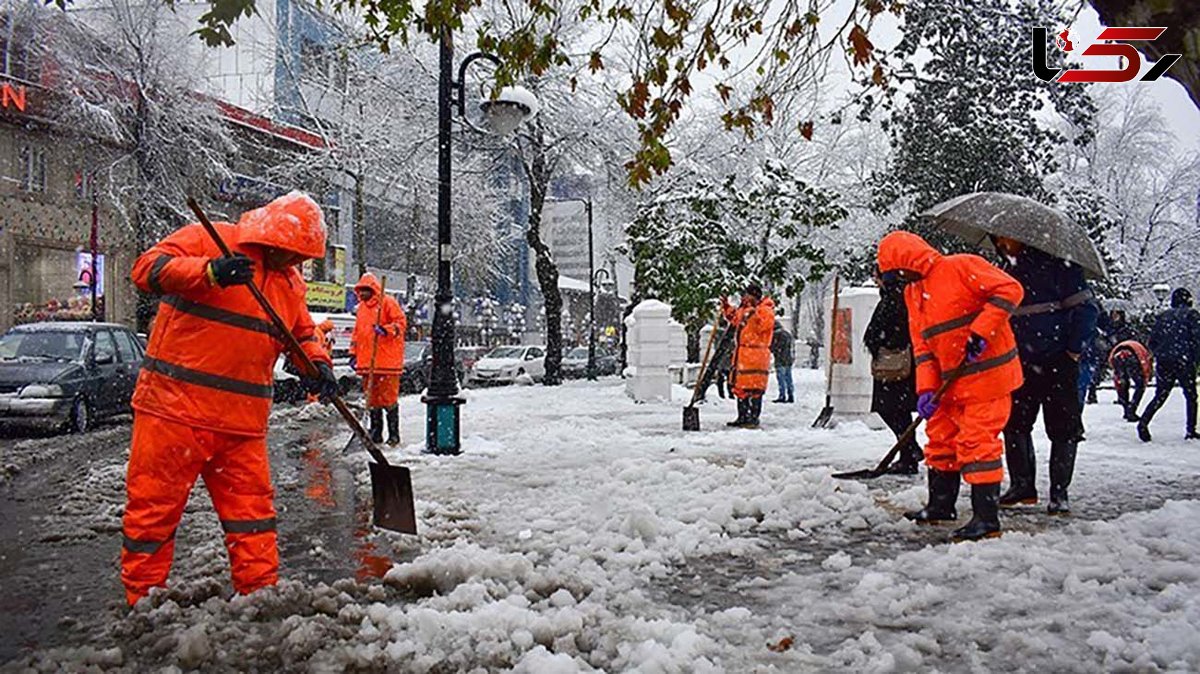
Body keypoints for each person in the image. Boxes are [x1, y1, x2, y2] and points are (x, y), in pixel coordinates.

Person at [121, 192, 336, 606]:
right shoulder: (211, 240)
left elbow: (302, 333)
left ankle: (259, 598)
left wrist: (318, 365)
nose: (293, 263)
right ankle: (143, 603)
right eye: (290, 253)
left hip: (242, 425)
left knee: (253, 520)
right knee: (153, 516)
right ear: (272, 236)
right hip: (173, 411)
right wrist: (209, 272)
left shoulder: (290, 285)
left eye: (300, 258)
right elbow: (146, 269)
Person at [877, 231, 1024, 541]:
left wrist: (982, 331)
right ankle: (941, 505)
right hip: (949, 382)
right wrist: (926, 390)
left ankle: (987, 519)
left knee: (977, 441)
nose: (901, 279)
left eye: (900, 272)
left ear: (909, 260)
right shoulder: (913, 293)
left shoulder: (961, 266)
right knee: (940, 440)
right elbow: (923, 347)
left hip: (988, 377)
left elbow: (1010, 290)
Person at [992, 237, 1098, 516]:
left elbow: (1086, 311)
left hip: (1058, 361)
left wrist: (1073, 350)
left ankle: (1059, 493)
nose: (1001, 243)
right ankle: (1022, 486)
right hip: (1019, 362)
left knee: (1064, 428)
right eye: (998, 239)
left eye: (1005, 239)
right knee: (1014, 424)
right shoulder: (1005, 270)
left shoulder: (1062, 267)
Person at [864, 273, 922, 475]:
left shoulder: (894, 298)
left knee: (891, 408)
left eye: (876, 274)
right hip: (897, 361)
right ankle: (908, 453)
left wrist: (880, 342)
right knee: (898, 410)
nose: (873, 278)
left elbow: (892, 328)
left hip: (896, 362)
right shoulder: (895, 295)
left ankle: (909, 451)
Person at [349, 273, 407, 446]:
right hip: (367, 363)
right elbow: (357, 333)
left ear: (373, 289)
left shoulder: (388, 303)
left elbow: (401, 323)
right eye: (361, 291)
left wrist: (386, 330)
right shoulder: (361, 309)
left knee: (388, 400)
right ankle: (376, 434)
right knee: (372, 401)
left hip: (387, 363)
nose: (363, 294)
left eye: (366, 290)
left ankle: (394, 436)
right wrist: (353, 353)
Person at [1137, 288, 1200, 442]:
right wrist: (1196, 359)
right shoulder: (1192, 315)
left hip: (1165, 361)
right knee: (1191, 395)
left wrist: (1161, 353)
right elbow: (1197, 339)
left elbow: (1152, 341)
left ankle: (1143, 422)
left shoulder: (1163, 317)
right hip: (1184, 360)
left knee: (1161, 394)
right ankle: (1190, 430)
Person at [722, 282, 776, 428]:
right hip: (742, 355)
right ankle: (742, 416)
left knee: (755, 388)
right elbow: (734, 319)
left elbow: (764, 325)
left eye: (747, 295)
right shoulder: (745, 310)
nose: (744, 298)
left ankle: (753, 417)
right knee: (740, 388)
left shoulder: (765, 309)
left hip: (756, 355)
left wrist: (755, 310)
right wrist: (727, 307)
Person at [1110, 339, 1152, 422]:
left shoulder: (1118, 349)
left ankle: (1126, 409)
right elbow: (1145, 365)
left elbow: (1111, 361)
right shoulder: (1143, 351)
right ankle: (1132, 409)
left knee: (1122, 384)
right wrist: (1145, 379)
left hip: (1117, 357)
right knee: (1140, 386)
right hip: (1132, 357)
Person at [770, 314, 795, 403]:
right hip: (788, 359)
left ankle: (782, 395)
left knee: (781, 379)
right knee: (788, 378)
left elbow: (772, 347)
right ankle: (791, 394)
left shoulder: (775, 335)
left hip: (780, 359)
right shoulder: (787, 334)